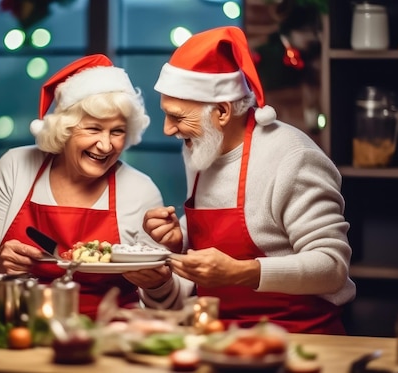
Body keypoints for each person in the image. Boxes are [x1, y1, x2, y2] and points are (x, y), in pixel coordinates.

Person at [137, 26, 356, 334]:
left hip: (300, 339)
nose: (167, 130)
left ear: (222, 112)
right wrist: (178, 242)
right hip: (219, 341)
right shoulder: (203, 150)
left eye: (178, 117)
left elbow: (332, 267)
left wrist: (242, 273)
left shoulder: (293, 157)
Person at [0, 54, 167, 319]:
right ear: (65, 129)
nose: (106, 146)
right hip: (19, 332)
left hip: (107, 339)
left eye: (117, 131)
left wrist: (157, 284)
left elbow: (161, 308)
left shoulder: (141, 190)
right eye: (93, 129)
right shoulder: (16, 166)